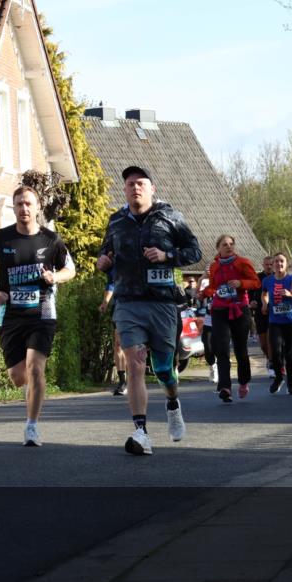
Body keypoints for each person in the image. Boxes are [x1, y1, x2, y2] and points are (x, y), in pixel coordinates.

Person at [97, 166, 202, 455]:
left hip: (162, 303)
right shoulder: (116, 221)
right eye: (130, 184)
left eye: (141, 183)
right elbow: (105, 253)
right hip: (128, 302)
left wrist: (166, 255)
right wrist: (103, 262)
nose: (135, 188)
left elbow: (195, 252)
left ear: (152, 188)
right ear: (125, 189)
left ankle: (172, 403)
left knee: (165, 370)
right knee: (135, 363)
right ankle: (141, 431)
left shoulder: (170, 217)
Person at [0, 185, 76, 447]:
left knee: (35, 368)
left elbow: (70, 269)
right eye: (19, 204)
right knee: (18, 376)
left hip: (42, 311)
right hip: (10, 313)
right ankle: (31, 391)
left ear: (37, 208)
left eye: (29, 204)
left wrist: (54, 277)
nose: (24, 208)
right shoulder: (1, 238)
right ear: (14, 208)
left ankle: (31, 427)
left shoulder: (51, 239)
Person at [201, 235, 260, 403]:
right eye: (224, 244)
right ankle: (225, 387)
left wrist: (241, 283)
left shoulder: (242, 262)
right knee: (221, 348)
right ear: (218, 248)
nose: (229, 247)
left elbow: (255, 282)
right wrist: (205, 292)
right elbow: (213, 286)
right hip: (220, 310)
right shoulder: (214, 266)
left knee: (241, 349)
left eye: (231, 244)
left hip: (240, 310)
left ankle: (243, 381)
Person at [261, 252, 292, 395]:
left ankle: (291, 384)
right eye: (276, 262)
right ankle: (279, 378)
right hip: (275, 321)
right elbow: (264, 293)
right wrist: (264, 304)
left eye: (282, 261)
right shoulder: (267, 281)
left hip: (291, 321)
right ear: (272, 265)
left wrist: (291, 295)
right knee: (276, 353)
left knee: (289, 353)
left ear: (286, 264)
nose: (279, 264)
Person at [99, 270, 127, 396]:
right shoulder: (114, 265)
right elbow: (111, 284)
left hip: (135, 305)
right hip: (118, 307)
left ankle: (133, 377)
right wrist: (105, 302)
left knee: (130, 345)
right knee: (118, 344)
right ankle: (122, 382)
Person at [253, 256, 273, 376]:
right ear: (263, 265)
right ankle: (268, 358)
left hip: (274, 312)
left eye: (271, 264)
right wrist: (252, 301)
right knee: (264, 344)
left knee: (271, 341)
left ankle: (272, 363)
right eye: (267, 264)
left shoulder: (277, 277)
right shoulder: (257, 278)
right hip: (260, 312)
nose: (269, 266)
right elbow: (250, 293)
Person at [198, 274, 218, 385]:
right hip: (209, 320)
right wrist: (201, 278)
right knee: (207, 345)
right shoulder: (207, 285)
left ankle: (218, 367)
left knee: (219, 346)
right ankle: (212, 365)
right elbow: (196, 295)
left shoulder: (224, 284)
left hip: (222, 320)